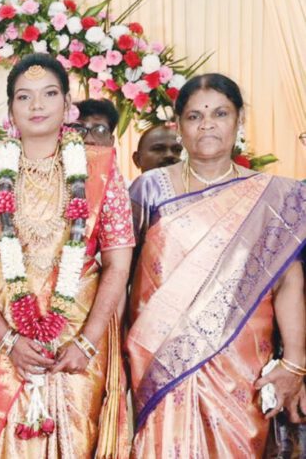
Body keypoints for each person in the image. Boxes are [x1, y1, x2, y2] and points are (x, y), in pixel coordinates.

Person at [0, 53, 135, 458]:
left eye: (49, 94)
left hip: (78, 343)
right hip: (5, 345)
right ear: (10, 109)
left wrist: (87, 343)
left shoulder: (101, 172)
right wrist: (9, 341)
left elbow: (118, 265)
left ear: (68, 104)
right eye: (24, 96)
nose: (37, 105)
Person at [127, 73, 306, 458]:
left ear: (240, 120)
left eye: (220, 113)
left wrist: (294, 362)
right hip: (158, 360)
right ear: (178, 126)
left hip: (239, 369)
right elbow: (122, 272)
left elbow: (287, 281)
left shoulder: (273, 196)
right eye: (195, 116)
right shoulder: (149, 189)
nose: (207, 124)